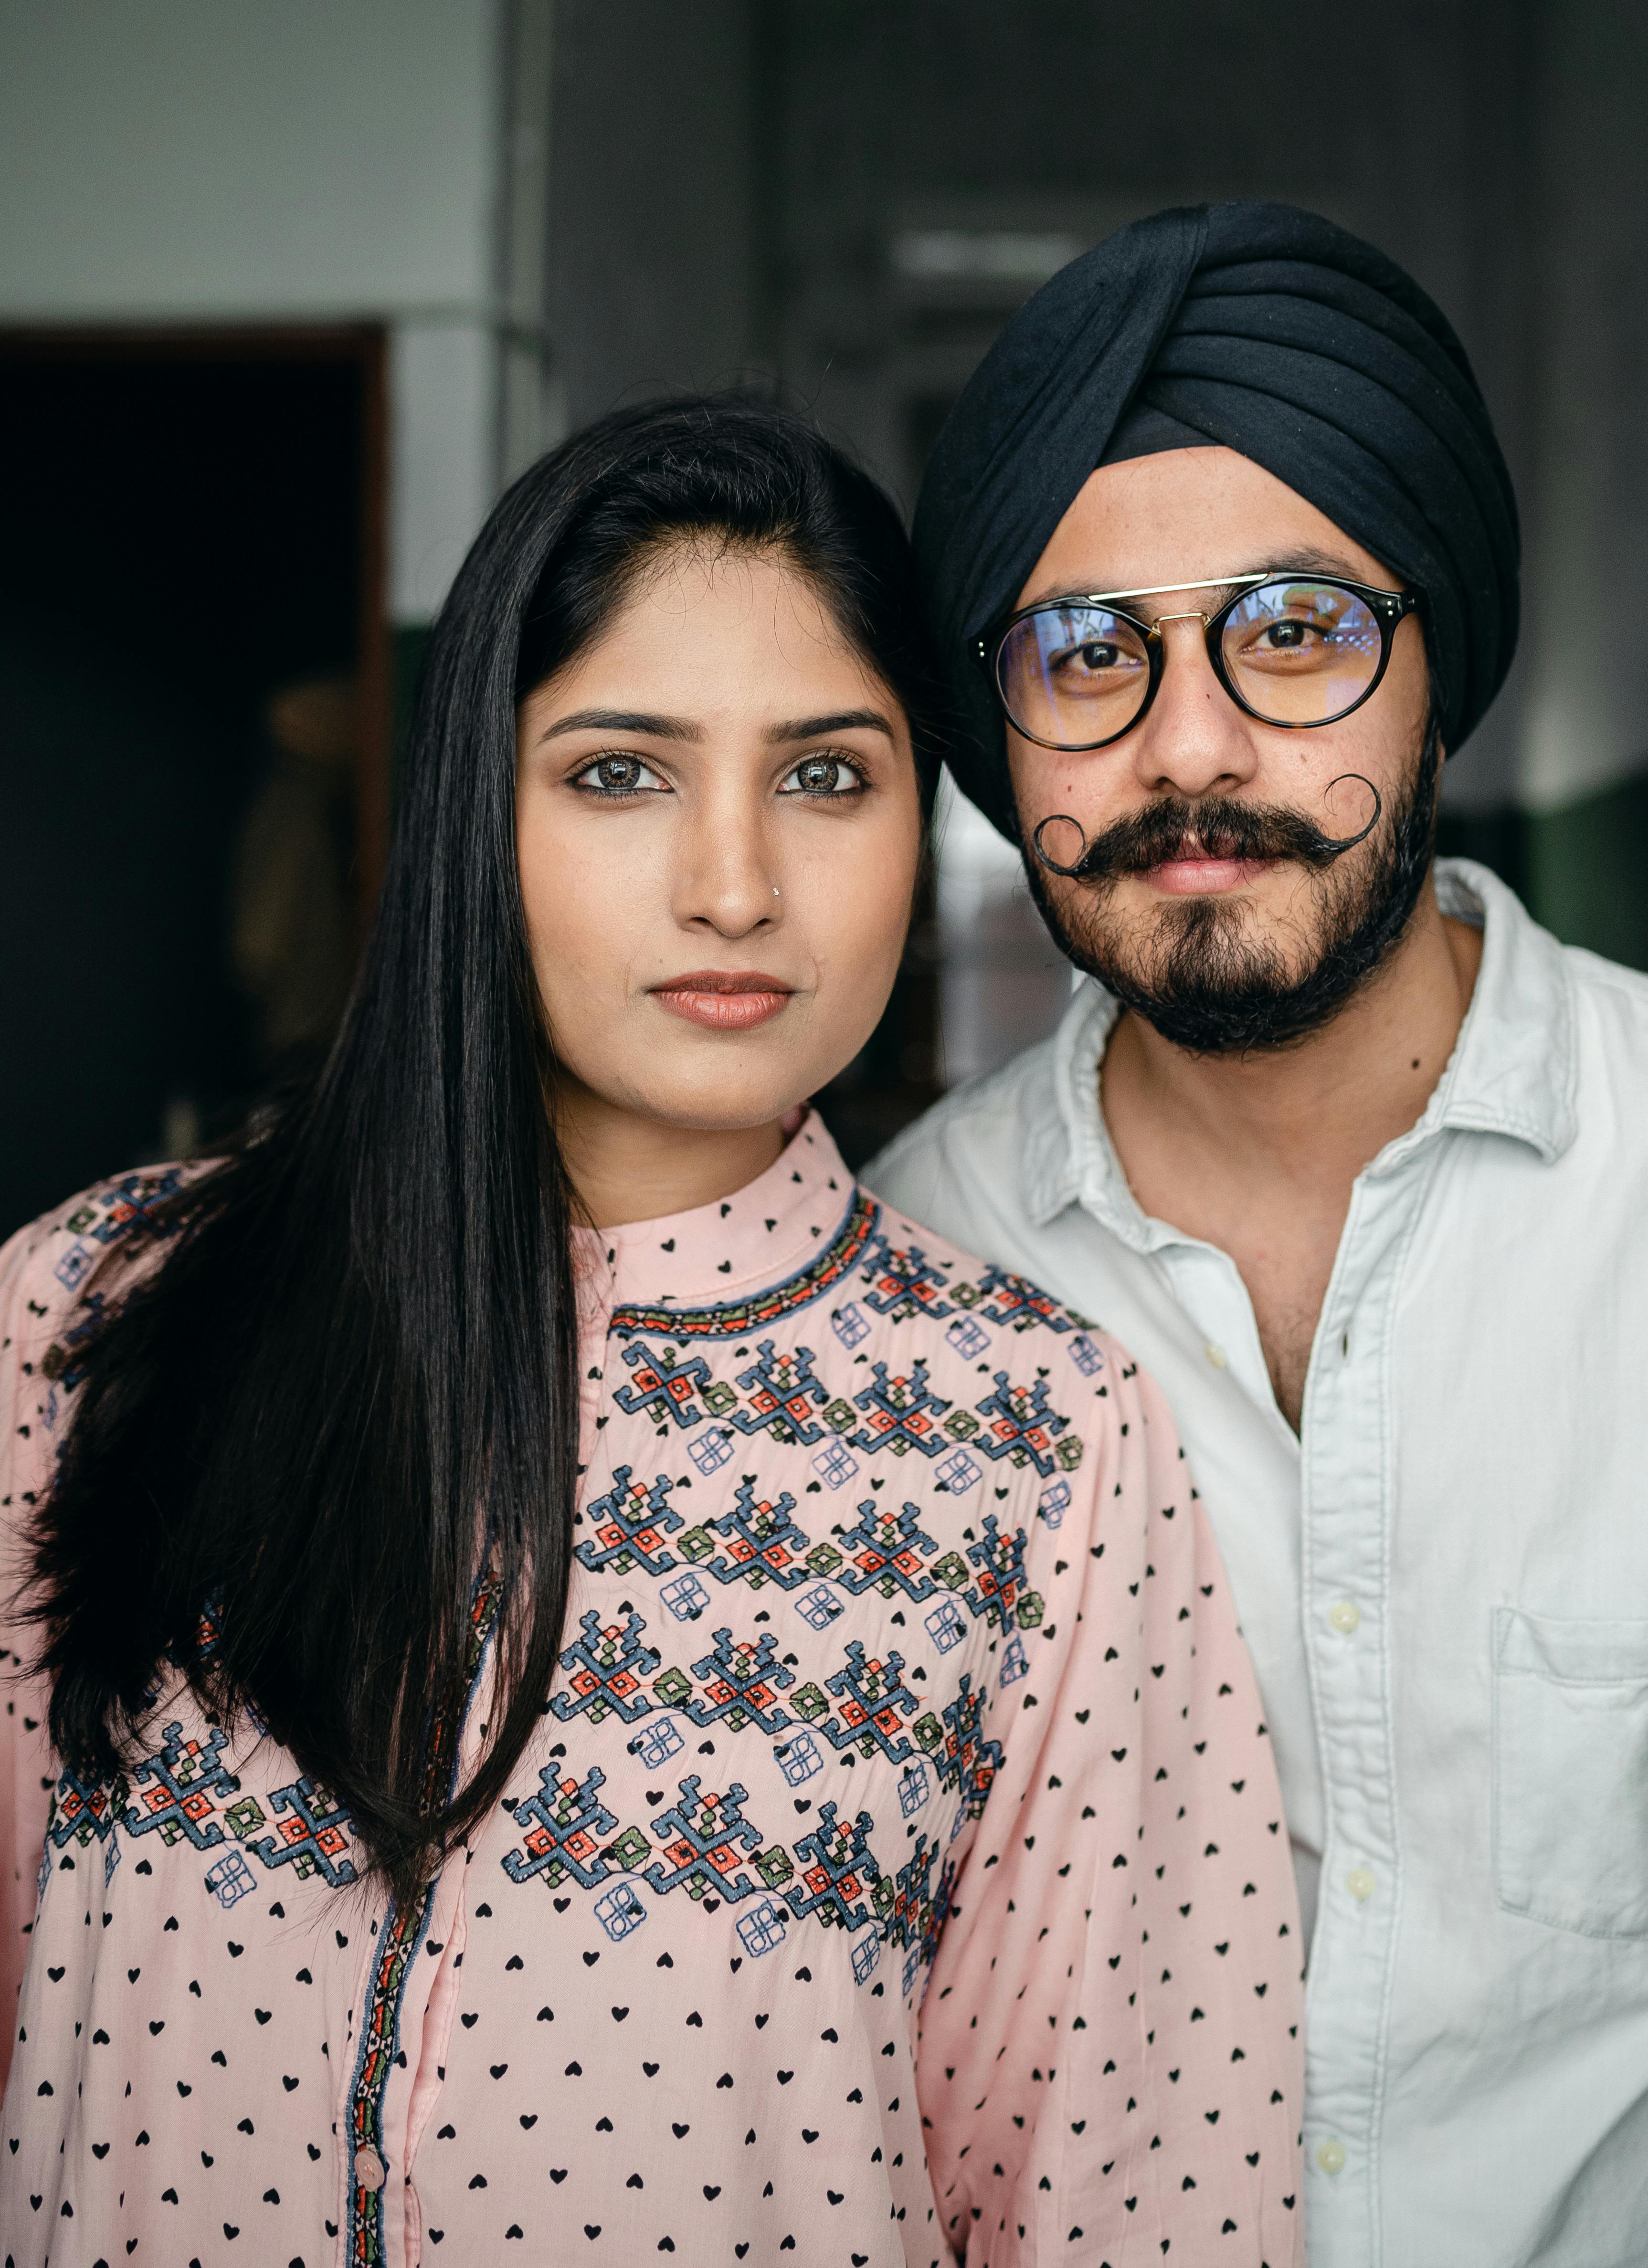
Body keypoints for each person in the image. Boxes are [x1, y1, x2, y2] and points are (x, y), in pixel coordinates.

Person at [0, 399, 1303, 2266]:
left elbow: (1146, 2202)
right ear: (477, 807)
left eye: (827, 778)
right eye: (620, 772)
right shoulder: (97, 1318)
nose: (734, 884)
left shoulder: (1034, 1450)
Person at [870, 203, 1648, 2267]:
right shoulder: (908, 1279)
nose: (1189, 746)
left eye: (1293, 629)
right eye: (1085, 652)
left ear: (1435, 673)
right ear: (994, 725)